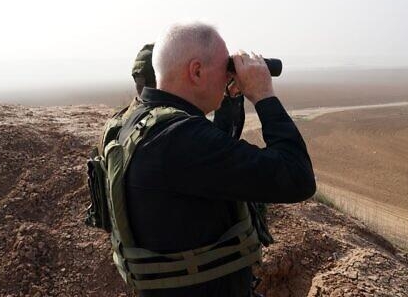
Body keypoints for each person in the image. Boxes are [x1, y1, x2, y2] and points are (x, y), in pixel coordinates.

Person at [117, 22, 315, 296]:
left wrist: (229, 102)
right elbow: (297, 177)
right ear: (196, 71)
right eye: (225, 70)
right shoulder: (182, 140)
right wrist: (263, 95)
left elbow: (211, 163)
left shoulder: (135, 122)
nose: (227, 78)